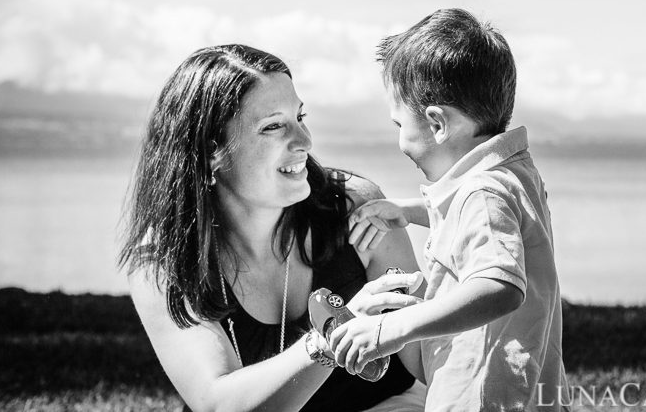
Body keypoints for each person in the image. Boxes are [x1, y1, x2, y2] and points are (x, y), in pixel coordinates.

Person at [118, 44, 427, 412]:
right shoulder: (164, 259)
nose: (305, 142)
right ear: (211, 151)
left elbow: (432, 360)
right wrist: (332, 337)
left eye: (300, 117)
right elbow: (219, 403)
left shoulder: (356, 209)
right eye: (273, 126)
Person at [329, 9, 572, 411]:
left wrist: (395, 327)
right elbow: (488, 227)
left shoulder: (482, 192)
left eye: (398, 125)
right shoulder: (510, 174)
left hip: (485, 396)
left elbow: (499, 287)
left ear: (438, 125)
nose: (401, 141)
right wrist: (408, 212)